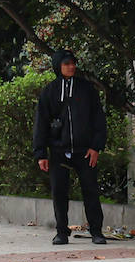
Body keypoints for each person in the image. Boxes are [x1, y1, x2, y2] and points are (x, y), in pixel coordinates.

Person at [32, 49, 107, 245]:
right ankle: (61, 232)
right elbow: (41, 123)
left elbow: (98, 119)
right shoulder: (50, 92)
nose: (71, 67)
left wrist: (96, 147)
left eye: (73, 63)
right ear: (58, 66)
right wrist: (41, 153)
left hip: (85, 151)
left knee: (91, 191)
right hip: (58, 151)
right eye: (66, 64)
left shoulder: (87, 89)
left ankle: (96, 231)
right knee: (59, 192)